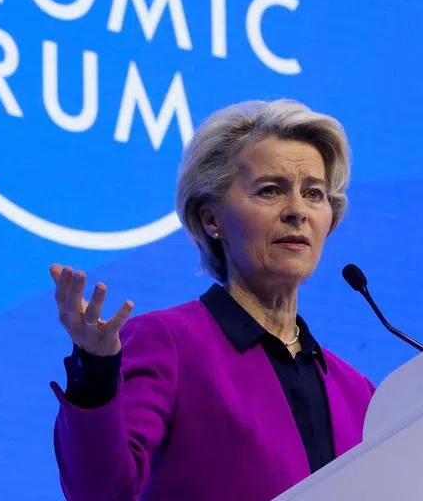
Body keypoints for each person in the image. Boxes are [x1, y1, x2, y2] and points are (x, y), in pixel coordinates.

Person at [48, 99, 376, 501]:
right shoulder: (169, 342)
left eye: (314, 193)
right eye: (271, 190)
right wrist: (95, 376)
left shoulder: (359, 394)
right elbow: (101, 492)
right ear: (211, 219)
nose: (297, 212)